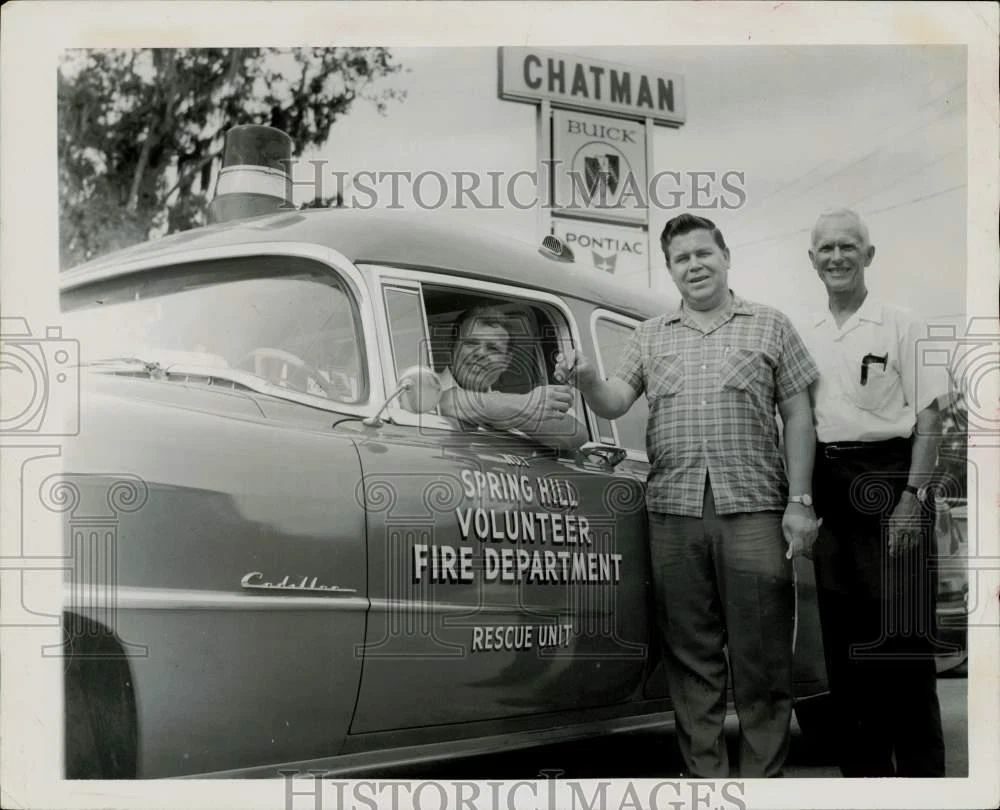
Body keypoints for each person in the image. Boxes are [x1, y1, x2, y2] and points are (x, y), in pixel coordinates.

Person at [556, 213, 820, 778]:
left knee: (761, 655)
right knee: (690, 655)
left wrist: (800, 502)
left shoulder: (771, 325)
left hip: (754, 510)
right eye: (682, 258)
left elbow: (799, 417)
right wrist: (585, 377)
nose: (694, 265)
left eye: (704, 253)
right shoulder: (649, 335)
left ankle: (761, 785)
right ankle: (706, 782)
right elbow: (613, 400)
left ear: (725, 257)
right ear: (671, 269)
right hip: (674, 514)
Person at [801, 208, 949, 777]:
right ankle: (865, 786)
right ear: (811, 259)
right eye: (826, 248)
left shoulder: (902, 323)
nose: (837, 257)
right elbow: (798, 422)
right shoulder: (805, 333)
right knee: (846, 654)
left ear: (869, 254)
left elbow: (931, 418)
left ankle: (923, 787)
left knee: (903, 652)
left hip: (891, 483)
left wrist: (912, 498)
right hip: (830, 487)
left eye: (848, 246)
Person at [436, 305, 588, 450]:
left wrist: (515, 411)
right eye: (471, 343)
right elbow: (444, 401)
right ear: (452, 347)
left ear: (506, 361)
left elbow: (576, 434)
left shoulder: (516, 403)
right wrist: (523, 408)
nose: (480, 353)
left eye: (493, 348)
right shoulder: (428, 384)